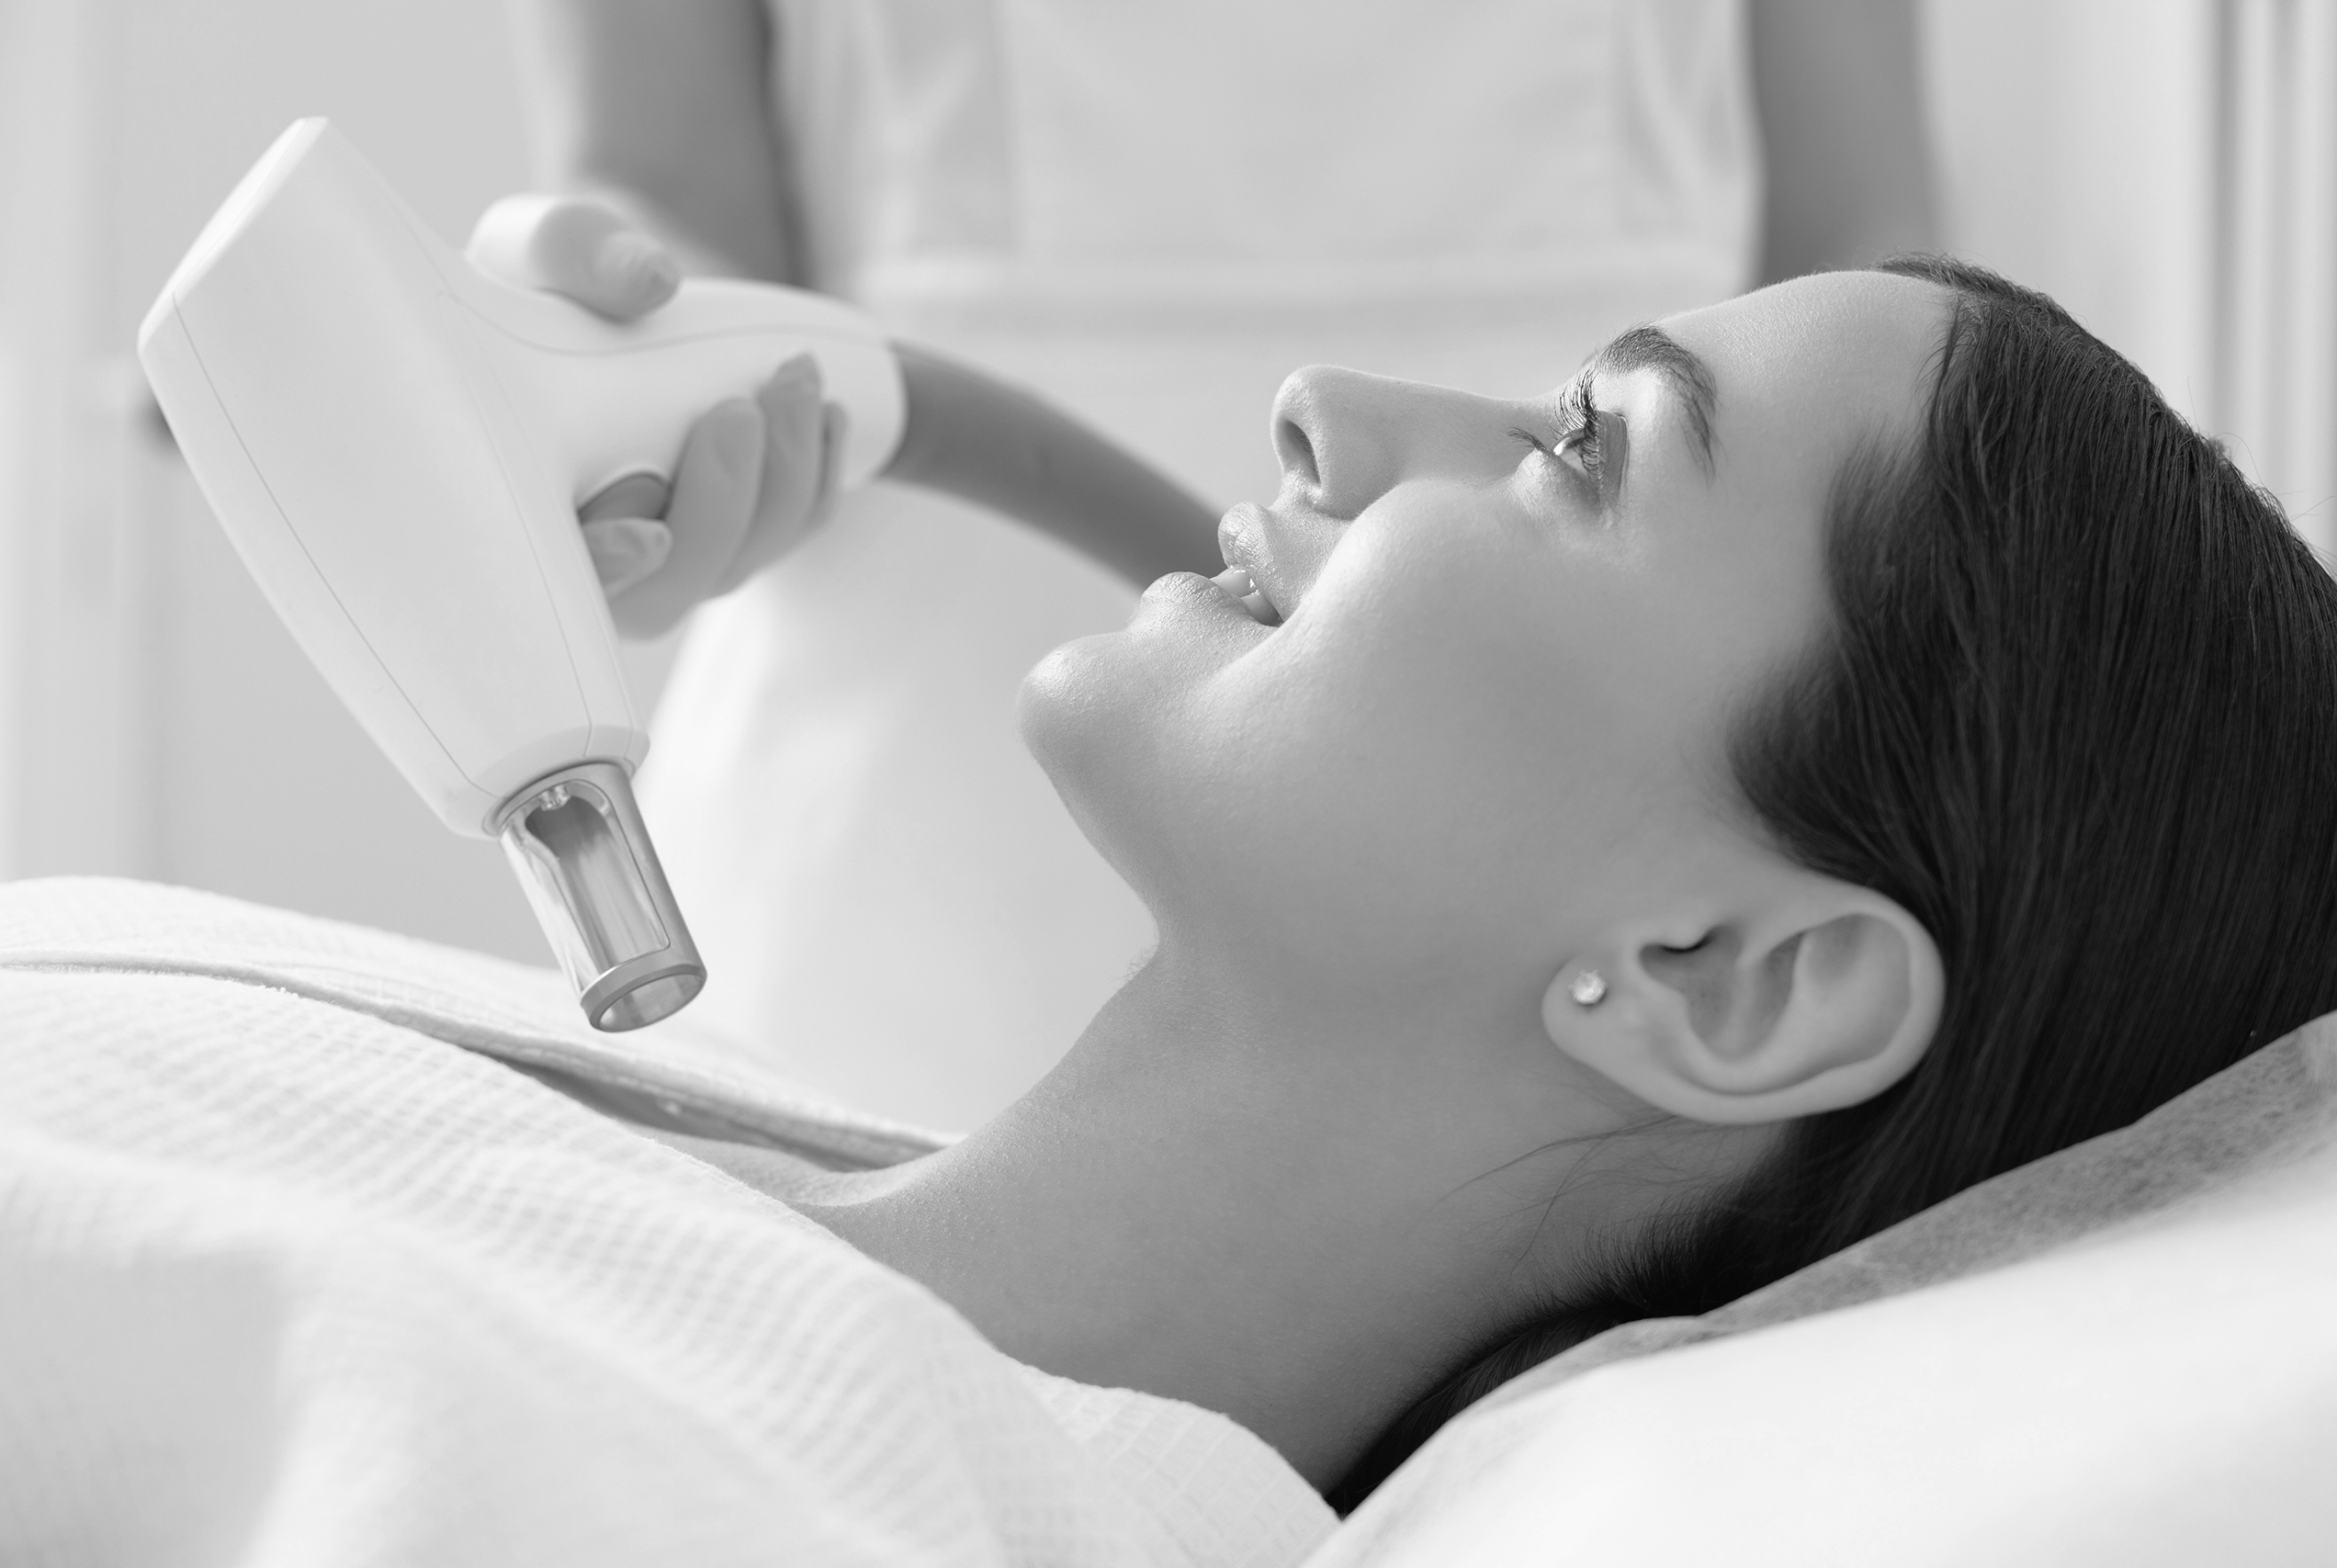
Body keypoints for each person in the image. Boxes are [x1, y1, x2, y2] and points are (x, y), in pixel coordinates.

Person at [478, 227, 2337, 1506]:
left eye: (1576, 449)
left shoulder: (650, 1478)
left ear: (1725, 976)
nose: (1323, 407)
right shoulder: (611, 1200)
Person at [503, 0, 1939, 1128]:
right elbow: (660, 193)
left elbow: (1872, 323)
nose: (1307, 421)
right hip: (889, 806)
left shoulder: (1730, 992)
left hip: (1606, 861)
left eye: (1580, 451)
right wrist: (624, 376)